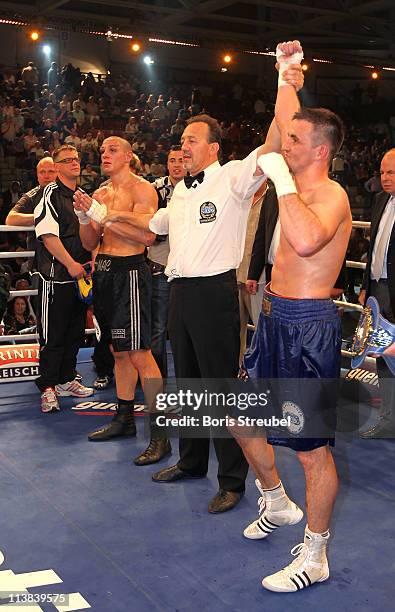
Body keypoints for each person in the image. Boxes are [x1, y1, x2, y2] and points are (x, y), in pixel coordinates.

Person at [105, 43, 304, 513]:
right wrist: (99, 211)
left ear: (213, 147)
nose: (184, 147)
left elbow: (276, 141)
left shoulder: (235, 177)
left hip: (216, 292)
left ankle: (233, 479)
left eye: (192, 141)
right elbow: (152, 228)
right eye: (183, 142)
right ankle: (192, 461)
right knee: (188, 382)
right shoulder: (177, 191)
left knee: (221, 387)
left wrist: (285, 74)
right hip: (180, 291)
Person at [231, 45, 352, 590]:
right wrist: (286, 73)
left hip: (308, 327)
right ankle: (277, 502)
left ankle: (316, 553)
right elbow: (288, 119)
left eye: (296, 142)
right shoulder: (300, 177)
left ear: (320, 152)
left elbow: (304, 242)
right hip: (275, 317)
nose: (283, 144)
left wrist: (280, 180)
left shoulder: (329, 195)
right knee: (238, 413)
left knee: (311, 449)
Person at [73, 137, 169, 463]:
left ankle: (161, 435)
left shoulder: (142, 189)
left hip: (130, 271)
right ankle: (124, 418)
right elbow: (89, 242)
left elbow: (147, 236)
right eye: (102, 151)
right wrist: (86, 217)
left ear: (129, 156)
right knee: (119, 352)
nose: (105, 154)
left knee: (141, 353)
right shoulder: (100, 193)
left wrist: (107, 215)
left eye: (112, 150)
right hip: (103, 272)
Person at [134, 145, 186, 465]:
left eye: (181, 159)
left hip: (186, 272)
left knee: (181, 335)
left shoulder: (198, 189)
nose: (177, 165)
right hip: (157, 269)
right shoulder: (154, 190)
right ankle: (161, 398)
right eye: (171, 160)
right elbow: (150, 230)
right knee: (155, 335)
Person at [34, 145, 94, 412]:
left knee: (74, 333)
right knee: (53, 336)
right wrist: (70, 264)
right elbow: (48, 235)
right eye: (67, 160)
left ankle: (66, 379)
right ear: (57, 167)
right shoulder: (50, 193)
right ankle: (47, 386)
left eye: (76, 159)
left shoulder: (81, 195)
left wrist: (91, 259)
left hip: (80, 278)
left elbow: (92, 231)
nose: (74, 163)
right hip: (55, 277)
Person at [359, 148, 395, 437]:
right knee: (383, 355)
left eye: (391, 172)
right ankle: (388, 419)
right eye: (382, 172)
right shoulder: (380, 200)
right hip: (379, 290)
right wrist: (365, 287)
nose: (384, 177)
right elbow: (373, 250)